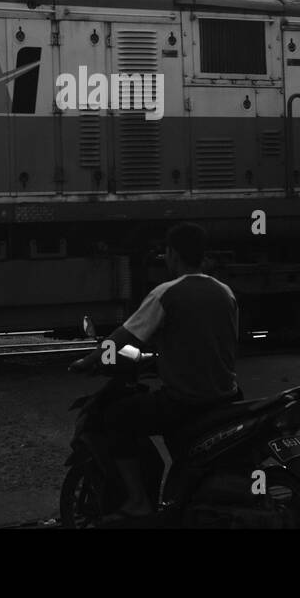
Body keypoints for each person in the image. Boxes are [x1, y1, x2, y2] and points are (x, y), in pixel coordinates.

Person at [69, 222, 239, 520]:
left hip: (186, 400)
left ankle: (138, 501)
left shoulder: (166, 293)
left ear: (172, 254)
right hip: (227, 395)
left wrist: (91, 360)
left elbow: (124, 337)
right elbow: (212, 342)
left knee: (116, 418)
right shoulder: (224, 292)